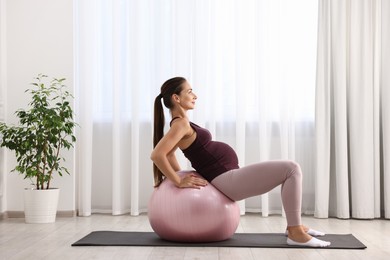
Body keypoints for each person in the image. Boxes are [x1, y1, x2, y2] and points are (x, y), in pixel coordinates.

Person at [150, 77, 331, 247]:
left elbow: (169, 153)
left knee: (290, 170)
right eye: (189, 91)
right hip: (227, 180)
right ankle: (295, 232)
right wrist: (178, 180)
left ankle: (295, 226)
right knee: (291, 169)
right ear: (176, 98)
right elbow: (158, 154)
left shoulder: (181, 124)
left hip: (228, 176)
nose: (195, 95)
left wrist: (180, 173)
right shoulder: (180, 124)